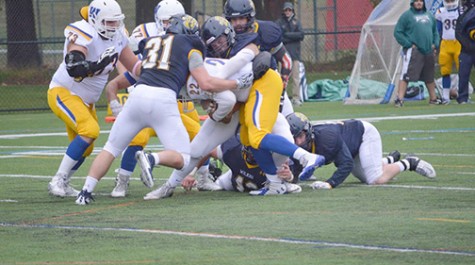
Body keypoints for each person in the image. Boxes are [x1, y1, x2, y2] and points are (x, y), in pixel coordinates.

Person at [75, 14, 253, 205]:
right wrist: (235, 83)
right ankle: (151, 158)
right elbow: (206, 83)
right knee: (184, 157)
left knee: (111, 148)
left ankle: (85, 192)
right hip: (163, 99)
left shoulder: (152, 42)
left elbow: (137, 71)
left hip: (137, 95)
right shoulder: (191, 46)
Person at [139, 16, 322, 199]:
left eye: (221, 41)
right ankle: (168, 187)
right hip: (233, 103)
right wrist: (212, 104)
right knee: (199, 148)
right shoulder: (197, 60)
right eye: (213, 44)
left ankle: (296, 165)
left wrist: (221, 90)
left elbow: (242, 70)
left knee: (272, 136)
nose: (218, 46)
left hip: (259, 89)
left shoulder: (242, 43)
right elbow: (209, 95)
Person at [105, 0, 219, 197]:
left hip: (176, 99)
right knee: (137, 138)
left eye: (172, 20)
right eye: (166, 20)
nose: (168, 25)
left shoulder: (185, 44)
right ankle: (122, 181)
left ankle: (203, 176)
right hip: (152, 95)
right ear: (159, 20)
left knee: (199, 135)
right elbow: (132, 65)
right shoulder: (146, 35)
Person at [47, 0, 140, 197]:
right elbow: (74, 67)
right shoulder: (83, 32)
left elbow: (134, 66)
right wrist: (97, 64)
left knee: (86, 148)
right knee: (89, 130)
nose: (114, 26)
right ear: (96, 19)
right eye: (109, 22)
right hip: (65, 92)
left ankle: (64, 182)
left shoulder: (118, 37)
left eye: (116, 22)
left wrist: (156, 70)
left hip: (86, 101)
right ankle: (58, 178)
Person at [286, 112, 436, 189]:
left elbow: (346, 164)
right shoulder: (301, 144)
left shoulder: (327, 138)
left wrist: (330, 183)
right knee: (366, 177)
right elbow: (296, 172)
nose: (296, 142)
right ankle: (389, 160)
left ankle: (409, 162)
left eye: (299, 136)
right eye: (292, 138)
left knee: (375, 179)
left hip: (364, 135)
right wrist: (289, 180)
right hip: (349, 147)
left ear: (308, 131)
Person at [223, 0, 295, 117]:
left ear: (249, 17)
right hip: (240, 88)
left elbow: (286, 60)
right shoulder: (224, 37)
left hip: (269, 82)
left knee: (288, 120)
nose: (238, 24)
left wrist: (281, 89)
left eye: (241, 19)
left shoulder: (265, 31)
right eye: (234, 20)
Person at [393, 0, 444, 107]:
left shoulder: (429, 15)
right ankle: (400, 99)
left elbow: (435, 32)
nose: (418, 3)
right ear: (412, 2)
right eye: (416, 1)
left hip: (428, 51)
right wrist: (408, 44)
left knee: (429, 76)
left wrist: (435, 44)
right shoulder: (407, 16)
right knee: (406, 74)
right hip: (414, 51)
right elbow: (398, 32)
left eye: (420, 1)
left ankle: (433, 99)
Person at [276, 2, 305, 107]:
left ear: (292, 11)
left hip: (295, 54)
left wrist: (287, 35)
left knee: (296, 78)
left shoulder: (297, 22)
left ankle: (296, 98)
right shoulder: (279, 22)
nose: (288, 12)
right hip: (283, 56)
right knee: (282, 78)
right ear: (283, 11)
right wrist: (293, 36)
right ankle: (282, 96)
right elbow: (279, 37)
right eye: (286, 10)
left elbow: (301, 35)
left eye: (289, 10)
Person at [435, 0, 461, 103]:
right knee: (445, 70)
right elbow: (438, 30)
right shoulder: (440, 11)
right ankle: (445, 97)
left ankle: (462, 94)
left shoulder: (461, 10)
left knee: (462, 70)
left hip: (458, 43)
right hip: (445, 43)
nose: (450, 2)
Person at [455, 0, 475, 104]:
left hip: (467, 48)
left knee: (463, 74)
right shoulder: (464, 16)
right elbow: (458, 32)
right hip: (466, 50)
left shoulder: (469, 14)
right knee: (463, 74)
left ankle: (463, 97)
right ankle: (462, 97)